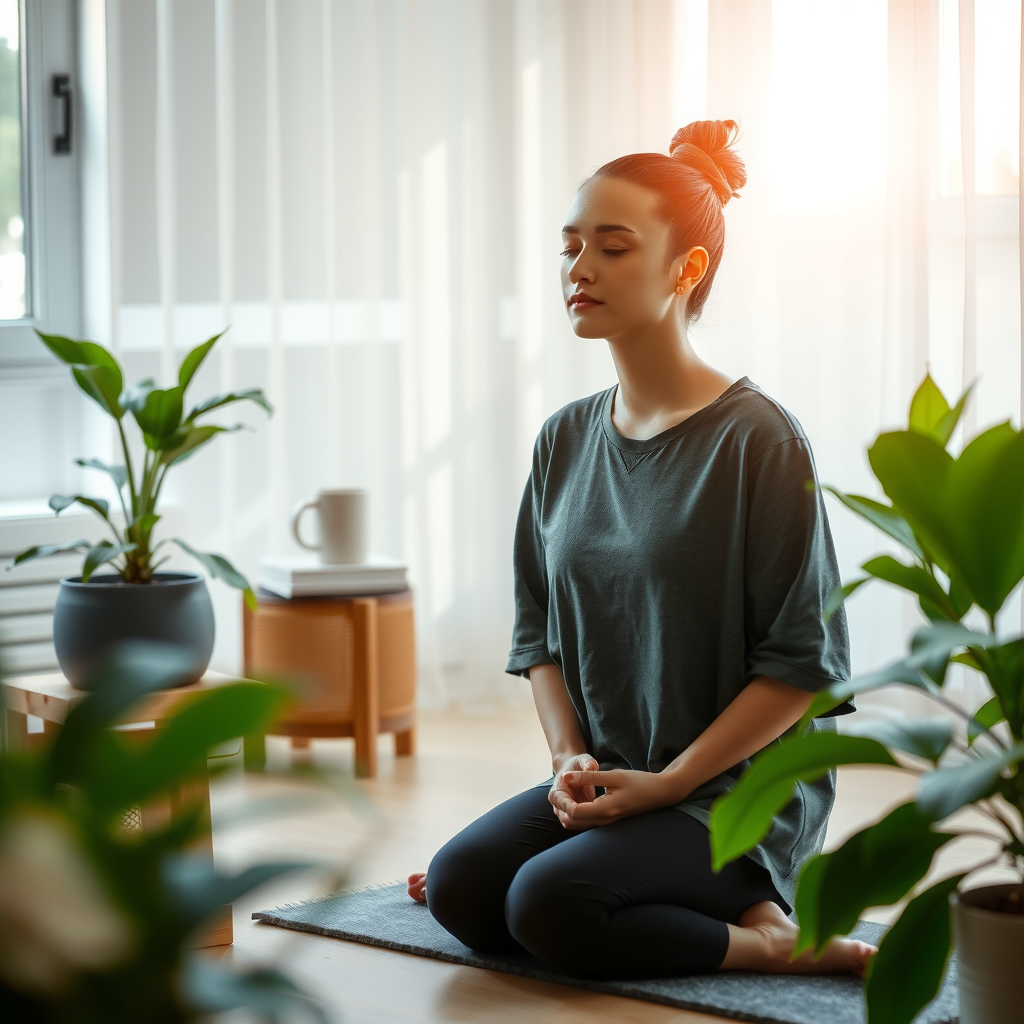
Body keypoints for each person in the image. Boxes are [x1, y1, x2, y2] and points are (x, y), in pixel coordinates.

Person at [407, 120, 875, 980]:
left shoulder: (760, 441)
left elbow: (801, 667)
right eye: (571, 246)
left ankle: (769, 939)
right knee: (459, 890)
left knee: (547, 905)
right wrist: (567, 761)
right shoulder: (564, 439)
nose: (578, 270)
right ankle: (702, 897)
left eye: (612, 248)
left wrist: (669, 784)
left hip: (732, 797)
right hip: (612, 782)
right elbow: (537, 631)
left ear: (685, 269)